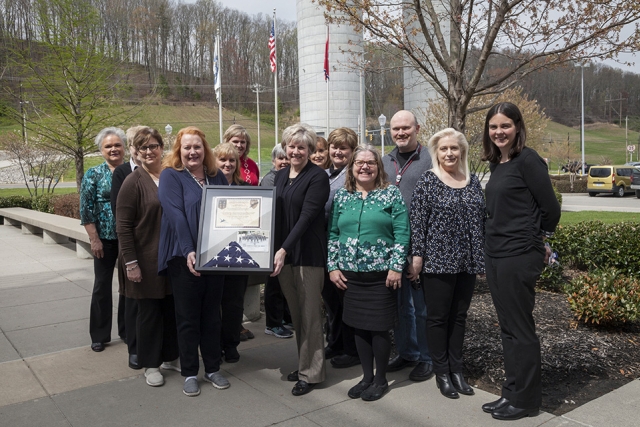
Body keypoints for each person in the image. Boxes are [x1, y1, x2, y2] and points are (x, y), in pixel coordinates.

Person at [480, 102, 561, 421]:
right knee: (508, 328)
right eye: (493, 127)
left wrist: (538, 240)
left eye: (505, 126)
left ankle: (526, 400)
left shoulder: (528, 160)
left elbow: (551, 210)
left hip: (518, 254)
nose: (498, 132)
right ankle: (511, 392)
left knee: (520, 328)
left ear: (517, 127)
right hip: (496, 253)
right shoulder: (497, 163)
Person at [327, 145, 410, 401]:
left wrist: (397, 267)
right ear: (352, 168)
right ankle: (366, 377)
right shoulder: (342, 196)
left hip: (381, 275)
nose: (365, 167)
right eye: (359, 162)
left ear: (378, 167)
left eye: (370, 162)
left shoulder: (391, 194)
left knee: (378, 328)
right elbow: (333, 234)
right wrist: (333, 266)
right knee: (359, 328)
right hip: (350, 276)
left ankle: (381, 379)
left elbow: (402, 233)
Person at [407, 128, 485, 399]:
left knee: (459, 317)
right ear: (436, 152)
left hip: (466, 262)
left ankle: (457, 369)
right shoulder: (429, 180)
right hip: (437, 262)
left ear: (462, 151)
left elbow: (479, 222)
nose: (449, 153)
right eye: (444, 149)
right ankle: (442, 372)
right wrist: (417, 257)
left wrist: (480, 259)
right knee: (438, 318)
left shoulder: (472, 181)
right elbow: (417, 222)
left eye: (454, 148)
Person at [158, 126, 230, 397]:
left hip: (215, 257)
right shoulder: (171, 176)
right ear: (179, 150)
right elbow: (175, 215)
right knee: (188, 318)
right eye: (187, 147)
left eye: (197, 147)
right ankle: (189, 371)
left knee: (212, 315)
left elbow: (232, 212)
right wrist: (189, 250)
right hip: (182, 256)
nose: (192, 152)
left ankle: (212, 368)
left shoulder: (216, 176)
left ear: (205, 149)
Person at [116, 127, 179, 387]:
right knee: (149, 314)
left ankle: (168, 356)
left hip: (170, 258)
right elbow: (123, 226)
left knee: (170, 309)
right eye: (143, 147)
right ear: (136, 152)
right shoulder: (133, 181)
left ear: (161, 148)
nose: (149, 151)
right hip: (144, 259)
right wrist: (131, 264)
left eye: (154, 146)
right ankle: (150, 364)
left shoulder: (170, 176)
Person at [272, 123, 330, 396]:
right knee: (296, 314)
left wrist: (283, 249)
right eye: (291, 146)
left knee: (310, 315)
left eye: (301, 147)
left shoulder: (317, 177)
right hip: (285, 256)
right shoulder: (282, 175)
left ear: (310, 150)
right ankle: (304, 364)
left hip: (307, 255)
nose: (295, 151)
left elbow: (306, 217)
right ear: (285, 147)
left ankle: (313, 373)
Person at [382, 110, 433, 381]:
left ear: (417, 128)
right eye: (396, 129)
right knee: (400, 306)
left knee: (422, 307)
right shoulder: (385, 160)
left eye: (406, 128)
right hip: (392, 246)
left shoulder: (430, 159)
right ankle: (407, 352)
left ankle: (427, 358)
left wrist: (419, 253)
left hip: (420, 246)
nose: (401, 133)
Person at [80, 127, 126, 353]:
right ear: (101, 150)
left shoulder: (132, 172)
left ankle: (128, 331)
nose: (113, 149)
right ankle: (99, 335)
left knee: (130, 287)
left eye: (117, 144)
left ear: (124, 147)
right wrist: (94, 239)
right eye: (108, 146)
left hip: (130, 239)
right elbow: (86, 210)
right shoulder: (93, 174)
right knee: (101, 286)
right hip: (104, 239)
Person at [320, 128, 359, 368]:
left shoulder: (352, 176)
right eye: (334, 146)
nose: (337, 151)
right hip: (323, 246)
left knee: (346, 301)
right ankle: (335, 342)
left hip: (344, 248)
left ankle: (351, 349)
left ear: (352, 151)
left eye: (343, 147)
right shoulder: (324, 174)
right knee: (331, 301)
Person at [111, 125, 147, 370]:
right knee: (132, 299)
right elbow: (120, 216)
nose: (143, 151)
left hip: (155, 246)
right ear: (131, 149)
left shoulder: (162, 172)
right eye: (138, 146)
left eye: (149, 146)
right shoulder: (123, 173)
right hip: (132, 246)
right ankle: (133, 347)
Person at [212, 143, 252, 361]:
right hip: (212, 255)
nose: (227, 164)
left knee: (234, 302)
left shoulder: (246, 188)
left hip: (239, 255)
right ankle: (214, 345)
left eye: (232, 160)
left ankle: (231, 343)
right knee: (212, 304)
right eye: (223, 160)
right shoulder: (206, 187)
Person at [260, 145, 293, 339]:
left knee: (285, 282)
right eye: (280, 158)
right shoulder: (270, 179)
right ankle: (273, 323)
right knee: (273, 282)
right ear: (273, 161)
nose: (284, 162)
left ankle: (286, 317)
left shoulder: (289, 177)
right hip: (271, 238)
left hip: (285, 238)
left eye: (286, 158)